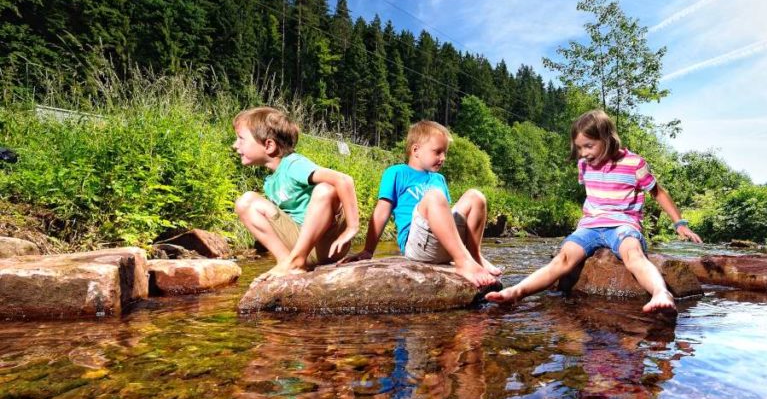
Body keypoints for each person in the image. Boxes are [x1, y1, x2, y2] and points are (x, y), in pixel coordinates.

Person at [487, 109, 702, 312]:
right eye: (579, 148)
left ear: (607, 138)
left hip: (623, 225)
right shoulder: (584, 165)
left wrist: (679, 224)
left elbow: (659, 193)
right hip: (590, 226)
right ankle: (517, 291)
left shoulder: (634, 163)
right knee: (562, 258)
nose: (584, 153)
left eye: (588, 146)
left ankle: (660, 293)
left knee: (633, 254)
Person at [345, 120, 500, 288]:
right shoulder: (396, 173)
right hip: (417, 245)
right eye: (437, 152)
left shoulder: (439, 179)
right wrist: (368, 250)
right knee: (434, 196)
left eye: (445, 153)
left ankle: (473, 256)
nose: (443, 158)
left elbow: (446, 216)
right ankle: (463, 263)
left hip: (445, 242)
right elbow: (381, 213)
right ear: (416, 150)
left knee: (475, 196)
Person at [232, 107, 359, 279]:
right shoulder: (271, 182)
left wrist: (352, 227)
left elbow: (344, 180)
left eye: (241, 139)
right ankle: (287, 262)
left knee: (326, 189)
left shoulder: (294, 164)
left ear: (269, 145)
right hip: (301, 244)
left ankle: (296, 260)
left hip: (326, 246)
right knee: (246, 202)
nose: (235, 145)